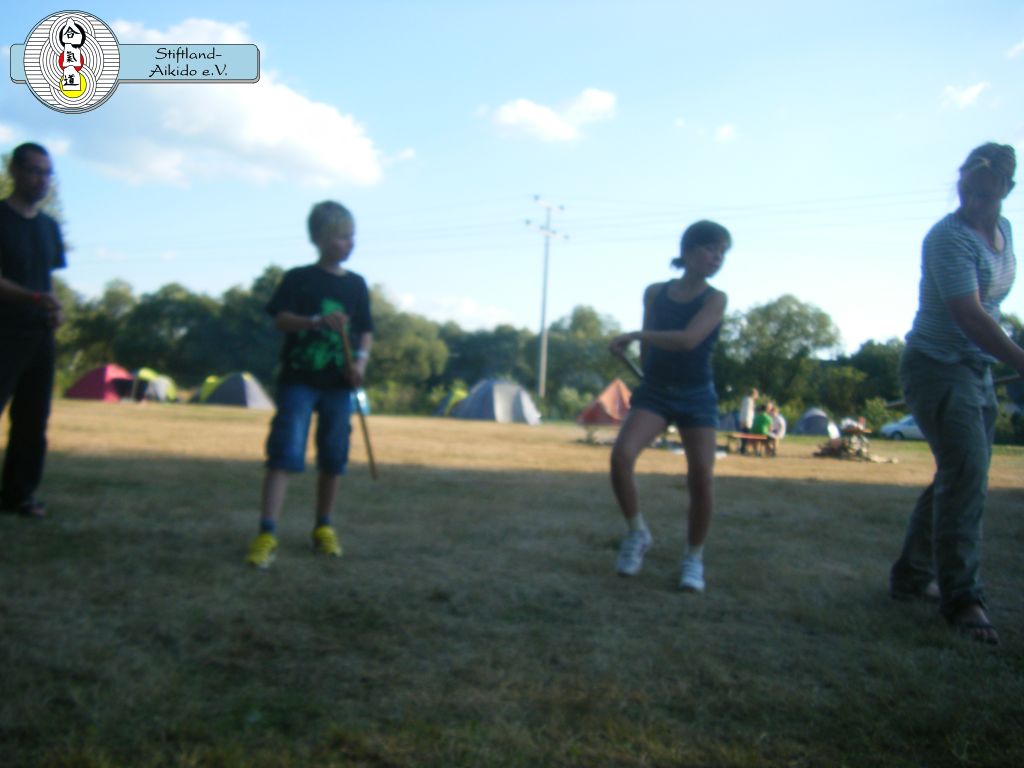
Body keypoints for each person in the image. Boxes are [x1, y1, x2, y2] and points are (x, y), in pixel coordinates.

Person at [890, 143, 1024, 646]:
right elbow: (969, 314)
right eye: (966, 191)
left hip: (976, 367)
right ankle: (963, 598)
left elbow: (991, 305)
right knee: (966, 476)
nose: (972, 202)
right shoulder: (948, 237)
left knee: (961, 475)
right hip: (936, 366)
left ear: (1008, 190)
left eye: (985, 195)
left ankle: (910, 577)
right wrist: (1020, 359)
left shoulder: (1004, 230)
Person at [245, 201, 374, 568]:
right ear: (320, 238)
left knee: (334, 456)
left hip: (338, 385)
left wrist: (360, 363)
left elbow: (365, 330)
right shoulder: (298, 278)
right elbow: (281, 320)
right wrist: (316, 321)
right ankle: (267, 532)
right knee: (285, 451)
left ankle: (323, 527)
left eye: (352, 236)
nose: (350, 243)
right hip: (298, 381)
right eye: (342, 236)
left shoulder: (356, 284)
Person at [609, 220, 730, 593]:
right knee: (620, 457)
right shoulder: (655, 293)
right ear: (689, 250)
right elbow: (649, 347)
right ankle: (637, 533)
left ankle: (693, 558)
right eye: (711, 249)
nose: (717, 258)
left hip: (697, 393)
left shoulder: (715, 299)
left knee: (702, 477)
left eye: (722, 252)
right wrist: (636, 356)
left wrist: (634, 335)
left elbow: (689, 340)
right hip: (656, 390)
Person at [0, 143, 65, 518]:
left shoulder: (49, 228)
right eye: (34, 171)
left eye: (47, 173)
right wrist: (35, 298)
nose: (42, 180)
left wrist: (53, 308)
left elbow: (46, 280)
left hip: (39, 335)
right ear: (14, 171)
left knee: (32, 420)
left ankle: (19, 495)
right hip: (3, 332)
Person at [737, 387, 758, 454]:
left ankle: (743, 449)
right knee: (746, 436)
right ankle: (743, 450)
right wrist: (746, 421)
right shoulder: (749, 401)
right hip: (746, 420)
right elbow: (747, 412)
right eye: (756, 394)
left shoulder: (746, 399)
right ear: (753, 394)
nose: (757, 395)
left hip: (744, 420)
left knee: (744, 435)